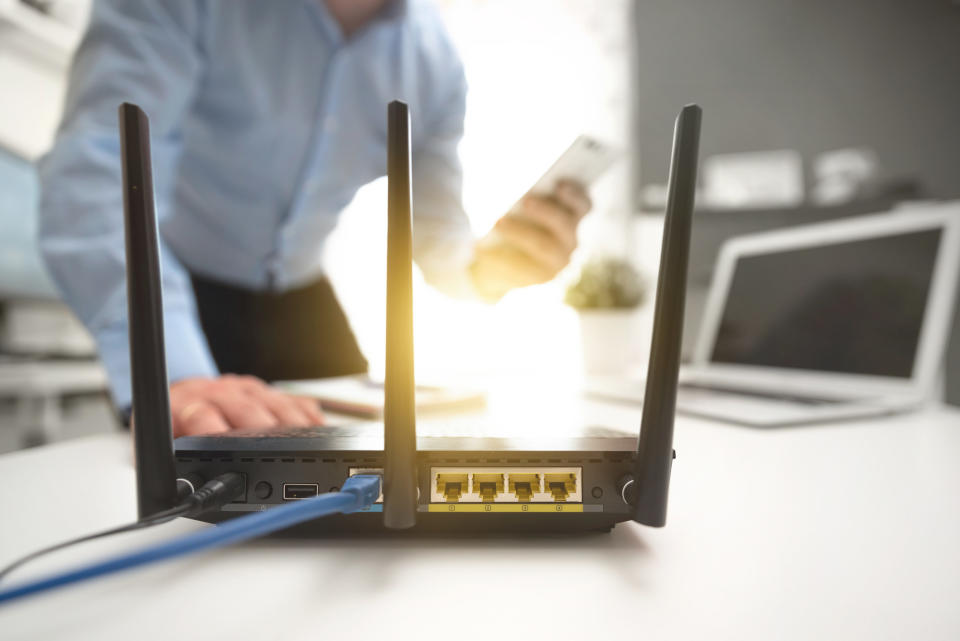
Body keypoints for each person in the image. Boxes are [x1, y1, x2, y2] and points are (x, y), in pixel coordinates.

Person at [38, 0, 591, 437]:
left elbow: (441, 247)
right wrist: (176, 375)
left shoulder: (436, 65)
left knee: (367, 473)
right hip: (178, 293)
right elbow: (97, 171)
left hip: (303, 299)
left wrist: (502, 265)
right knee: (181, 487)